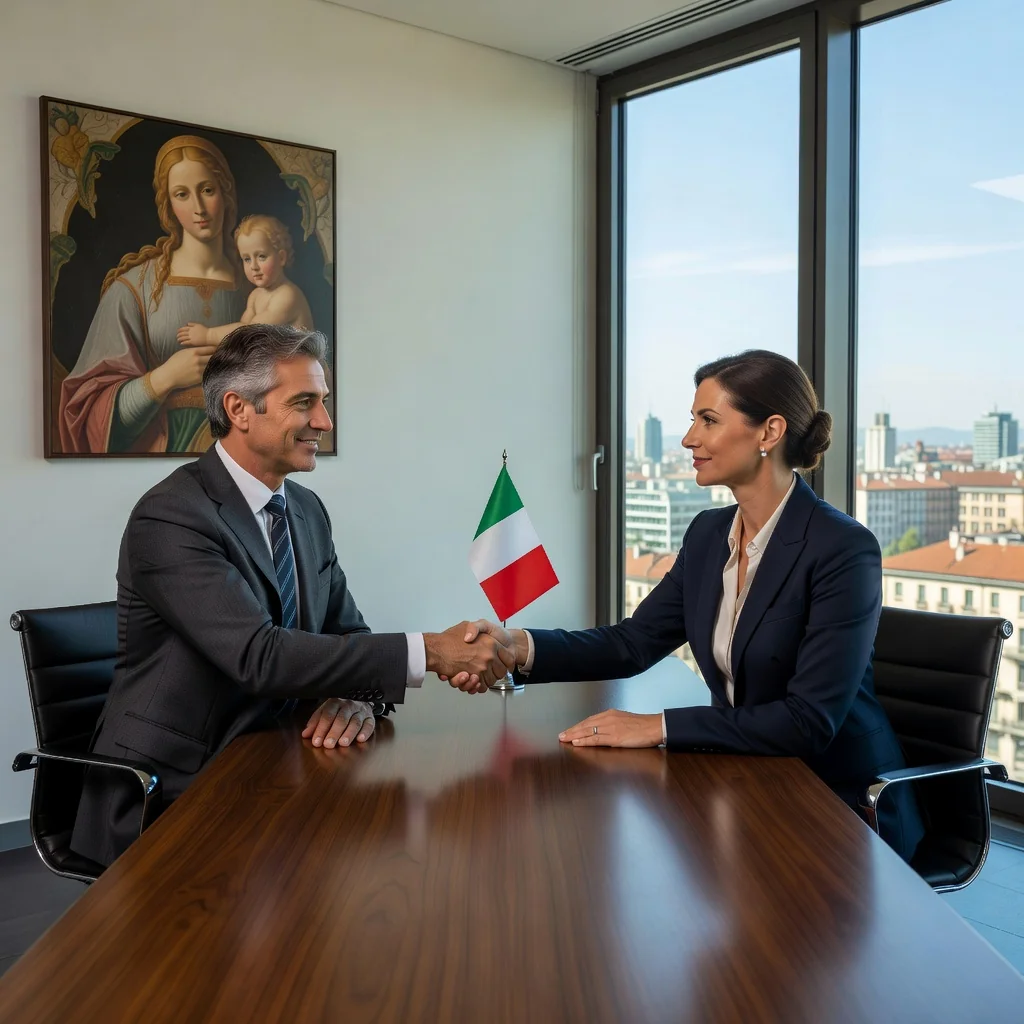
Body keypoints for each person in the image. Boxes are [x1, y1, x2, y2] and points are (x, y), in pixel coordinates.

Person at [449, 350, 925, 862]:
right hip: (746, 781)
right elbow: (632, 643)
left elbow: (808, 721)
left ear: (769, 432)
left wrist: (658, 726)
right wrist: (519, 648)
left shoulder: (841, 548)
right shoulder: (708, 535)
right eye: (692, 419)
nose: (688, 438)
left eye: (709, 420)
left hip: (839, 805)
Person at [70, 324, 514, 867]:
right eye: (305, 403)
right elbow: (260, 657)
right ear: (238, 409)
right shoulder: (171, 516)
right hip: (172, 791)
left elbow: (347, 633)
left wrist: (358, 699)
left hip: (273, 768)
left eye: (324, 402)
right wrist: (434, 651)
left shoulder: (305, 511)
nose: (325, 422)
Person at [60, 135, 249, 454]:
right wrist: (165, 378)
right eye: (182, 194)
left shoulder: (256, 285)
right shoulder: (133, 289)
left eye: (207, 190)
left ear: (225, 192)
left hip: (245, 452)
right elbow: (87, 411)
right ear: (169, 205)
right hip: (161, 457)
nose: (199, 208)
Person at [177, 214, 314, 346]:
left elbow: (248, 333)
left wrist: (208, 335)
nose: (253, 266)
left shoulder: (287, 295)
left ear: (282, 258)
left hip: (301, 367)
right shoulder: (256, 295)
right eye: (247, 259)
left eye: (261, 256)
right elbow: (241, 339)